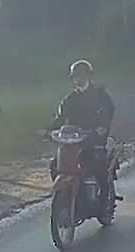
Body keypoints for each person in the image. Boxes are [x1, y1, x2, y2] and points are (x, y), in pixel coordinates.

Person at [50, 60, 118, 194]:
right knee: (54, 164)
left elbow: (108, 113)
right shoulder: (70, 98)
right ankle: (65, 192)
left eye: (81, 75)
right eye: (75, 76)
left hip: (94, 141)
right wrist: (47, 129)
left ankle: (103, 199)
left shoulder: (100, 96)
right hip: (73, 141)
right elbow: (61, 117)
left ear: (89, 76)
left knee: (100, 169)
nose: (78, 79)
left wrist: (101, 127)